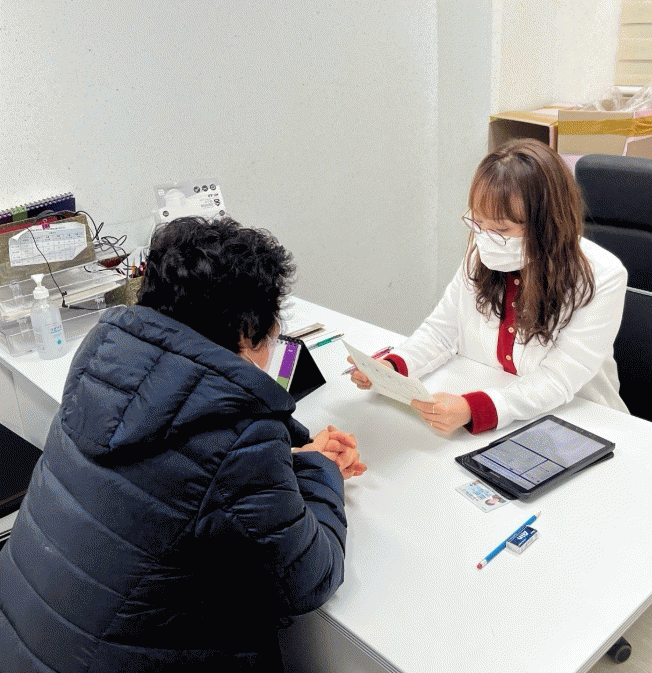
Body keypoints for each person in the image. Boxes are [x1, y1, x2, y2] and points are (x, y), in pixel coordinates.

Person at [0, 216, 365, 673]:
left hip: (20, 642)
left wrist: (284, 455)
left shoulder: (104, 360)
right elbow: (309, 580)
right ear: (248, 332)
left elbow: (186, 464)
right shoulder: (238, 440)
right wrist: (320, 471)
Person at [350, 139, 629, 435]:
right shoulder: (482, 252)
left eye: (502, 229)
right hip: (500, 406)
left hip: (578, 420)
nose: (486, 238)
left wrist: (474, 409)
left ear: (547, 224)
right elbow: (442, 331)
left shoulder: (602, 277)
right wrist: (393, 368)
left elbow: (558, 378)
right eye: (478, 223)